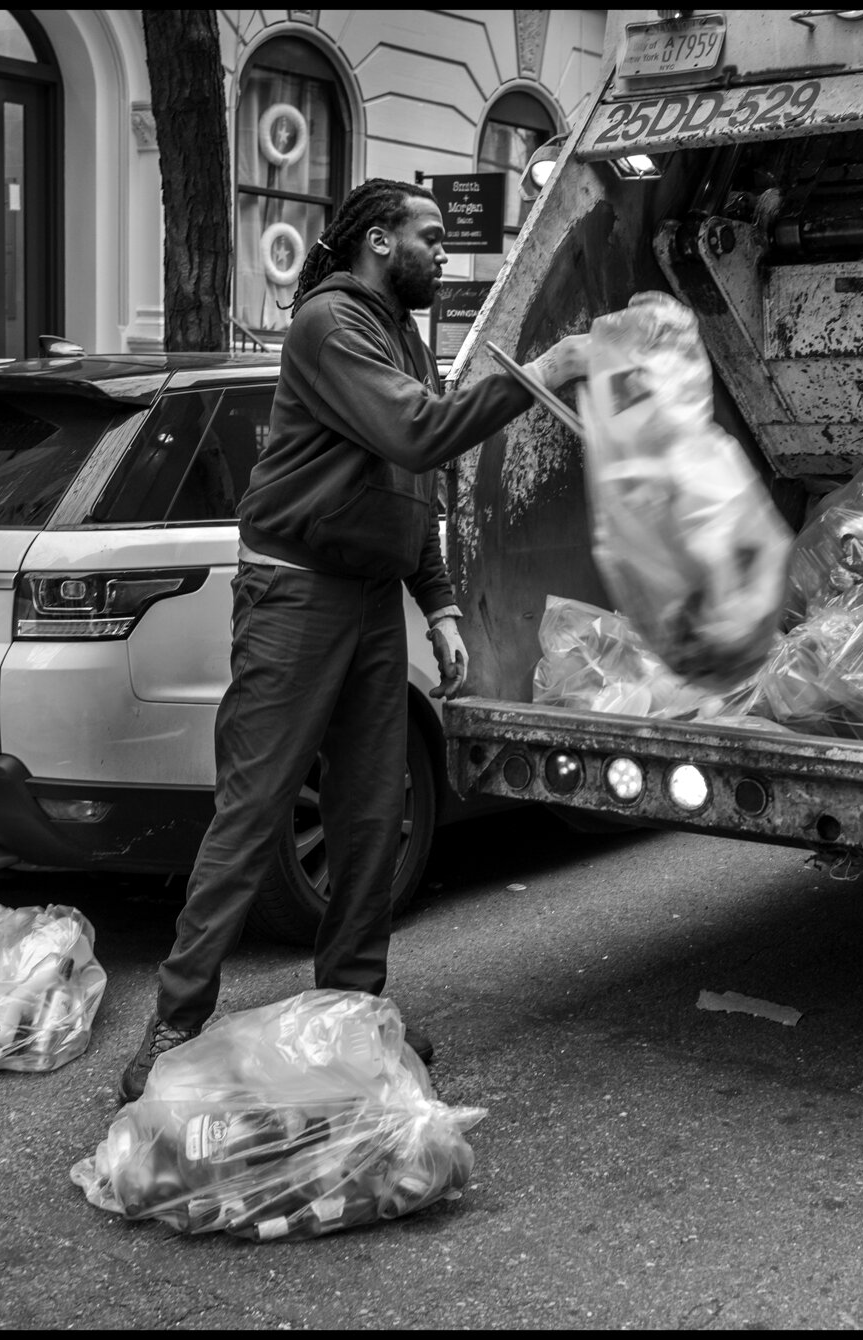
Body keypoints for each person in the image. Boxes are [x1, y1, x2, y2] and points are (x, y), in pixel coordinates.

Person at [118, 177, 589, 1102]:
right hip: (295, 597)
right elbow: (419, 436)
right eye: (428, 236)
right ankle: (174, 1022)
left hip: (371, 602)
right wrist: (544, 372)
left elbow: (409, 487)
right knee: (254, 813)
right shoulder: (331, 325)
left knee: (372, 819)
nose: (443, 252)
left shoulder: (400, 333)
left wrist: (440, 603)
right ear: (378, 241)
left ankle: (351, 1020)